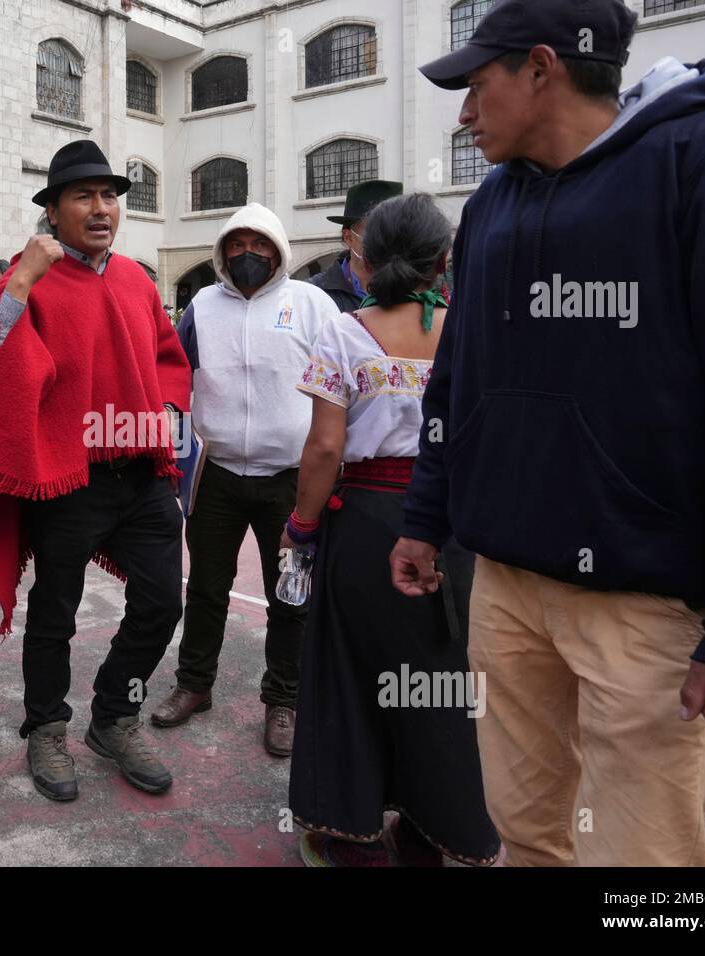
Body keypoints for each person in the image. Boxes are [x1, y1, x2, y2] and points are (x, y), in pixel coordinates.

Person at [395, 0, 705, 866]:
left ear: (543, 68)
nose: (462, 112)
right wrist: (427, 518)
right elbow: (455, 380)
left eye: (475, 84)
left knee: (642, 862)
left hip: (646, 609)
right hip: (502, 585)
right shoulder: (492, 200)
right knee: (527, 835)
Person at [0, 140, 191, 802]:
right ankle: (46, 728)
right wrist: (23, 279)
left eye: (110, 195)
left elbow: (170, 360)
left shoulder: (139, 280)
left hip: (142, 474)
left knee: (161, 600)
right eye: (83, 196)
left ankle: (113, 717)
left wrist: (162, 409)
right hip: (69, 479)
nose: (100, 208)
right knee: (53, 612)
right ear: (52, 211)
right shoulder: (28, 280)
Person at [284, 193, 498, 867]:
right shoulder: (472, 327)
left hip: (368, 528)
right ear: (443, 262)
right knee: (443, 678)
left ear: (365, 257)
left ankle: (345, 820)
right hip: (456, 529)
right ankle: (440, 826)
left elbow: (323, 449)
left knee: (350, 673)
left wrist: (300, 526)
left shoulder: (346, 333)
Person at [150, 203, 338, 756]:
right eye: (237, 244)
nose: (248, 255)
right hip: (220, 473)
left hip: (292, 480)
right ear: (223, 250)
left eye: (259, 245)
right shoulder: (203, 306)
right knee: (206, 587)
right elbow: (174, 379)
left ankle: (284, 698)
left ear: (278, 249)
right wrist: (169, 456)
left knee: (291, 592)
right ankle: (194, 685)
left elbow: (341, 384)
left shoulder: (311, 304)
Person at [309, 180, 402, 312]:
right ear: (349, 237)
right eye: (373, 229)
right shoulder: (315, 293)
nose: (384, 239)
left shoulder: (415, 291)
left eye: (392, 230)